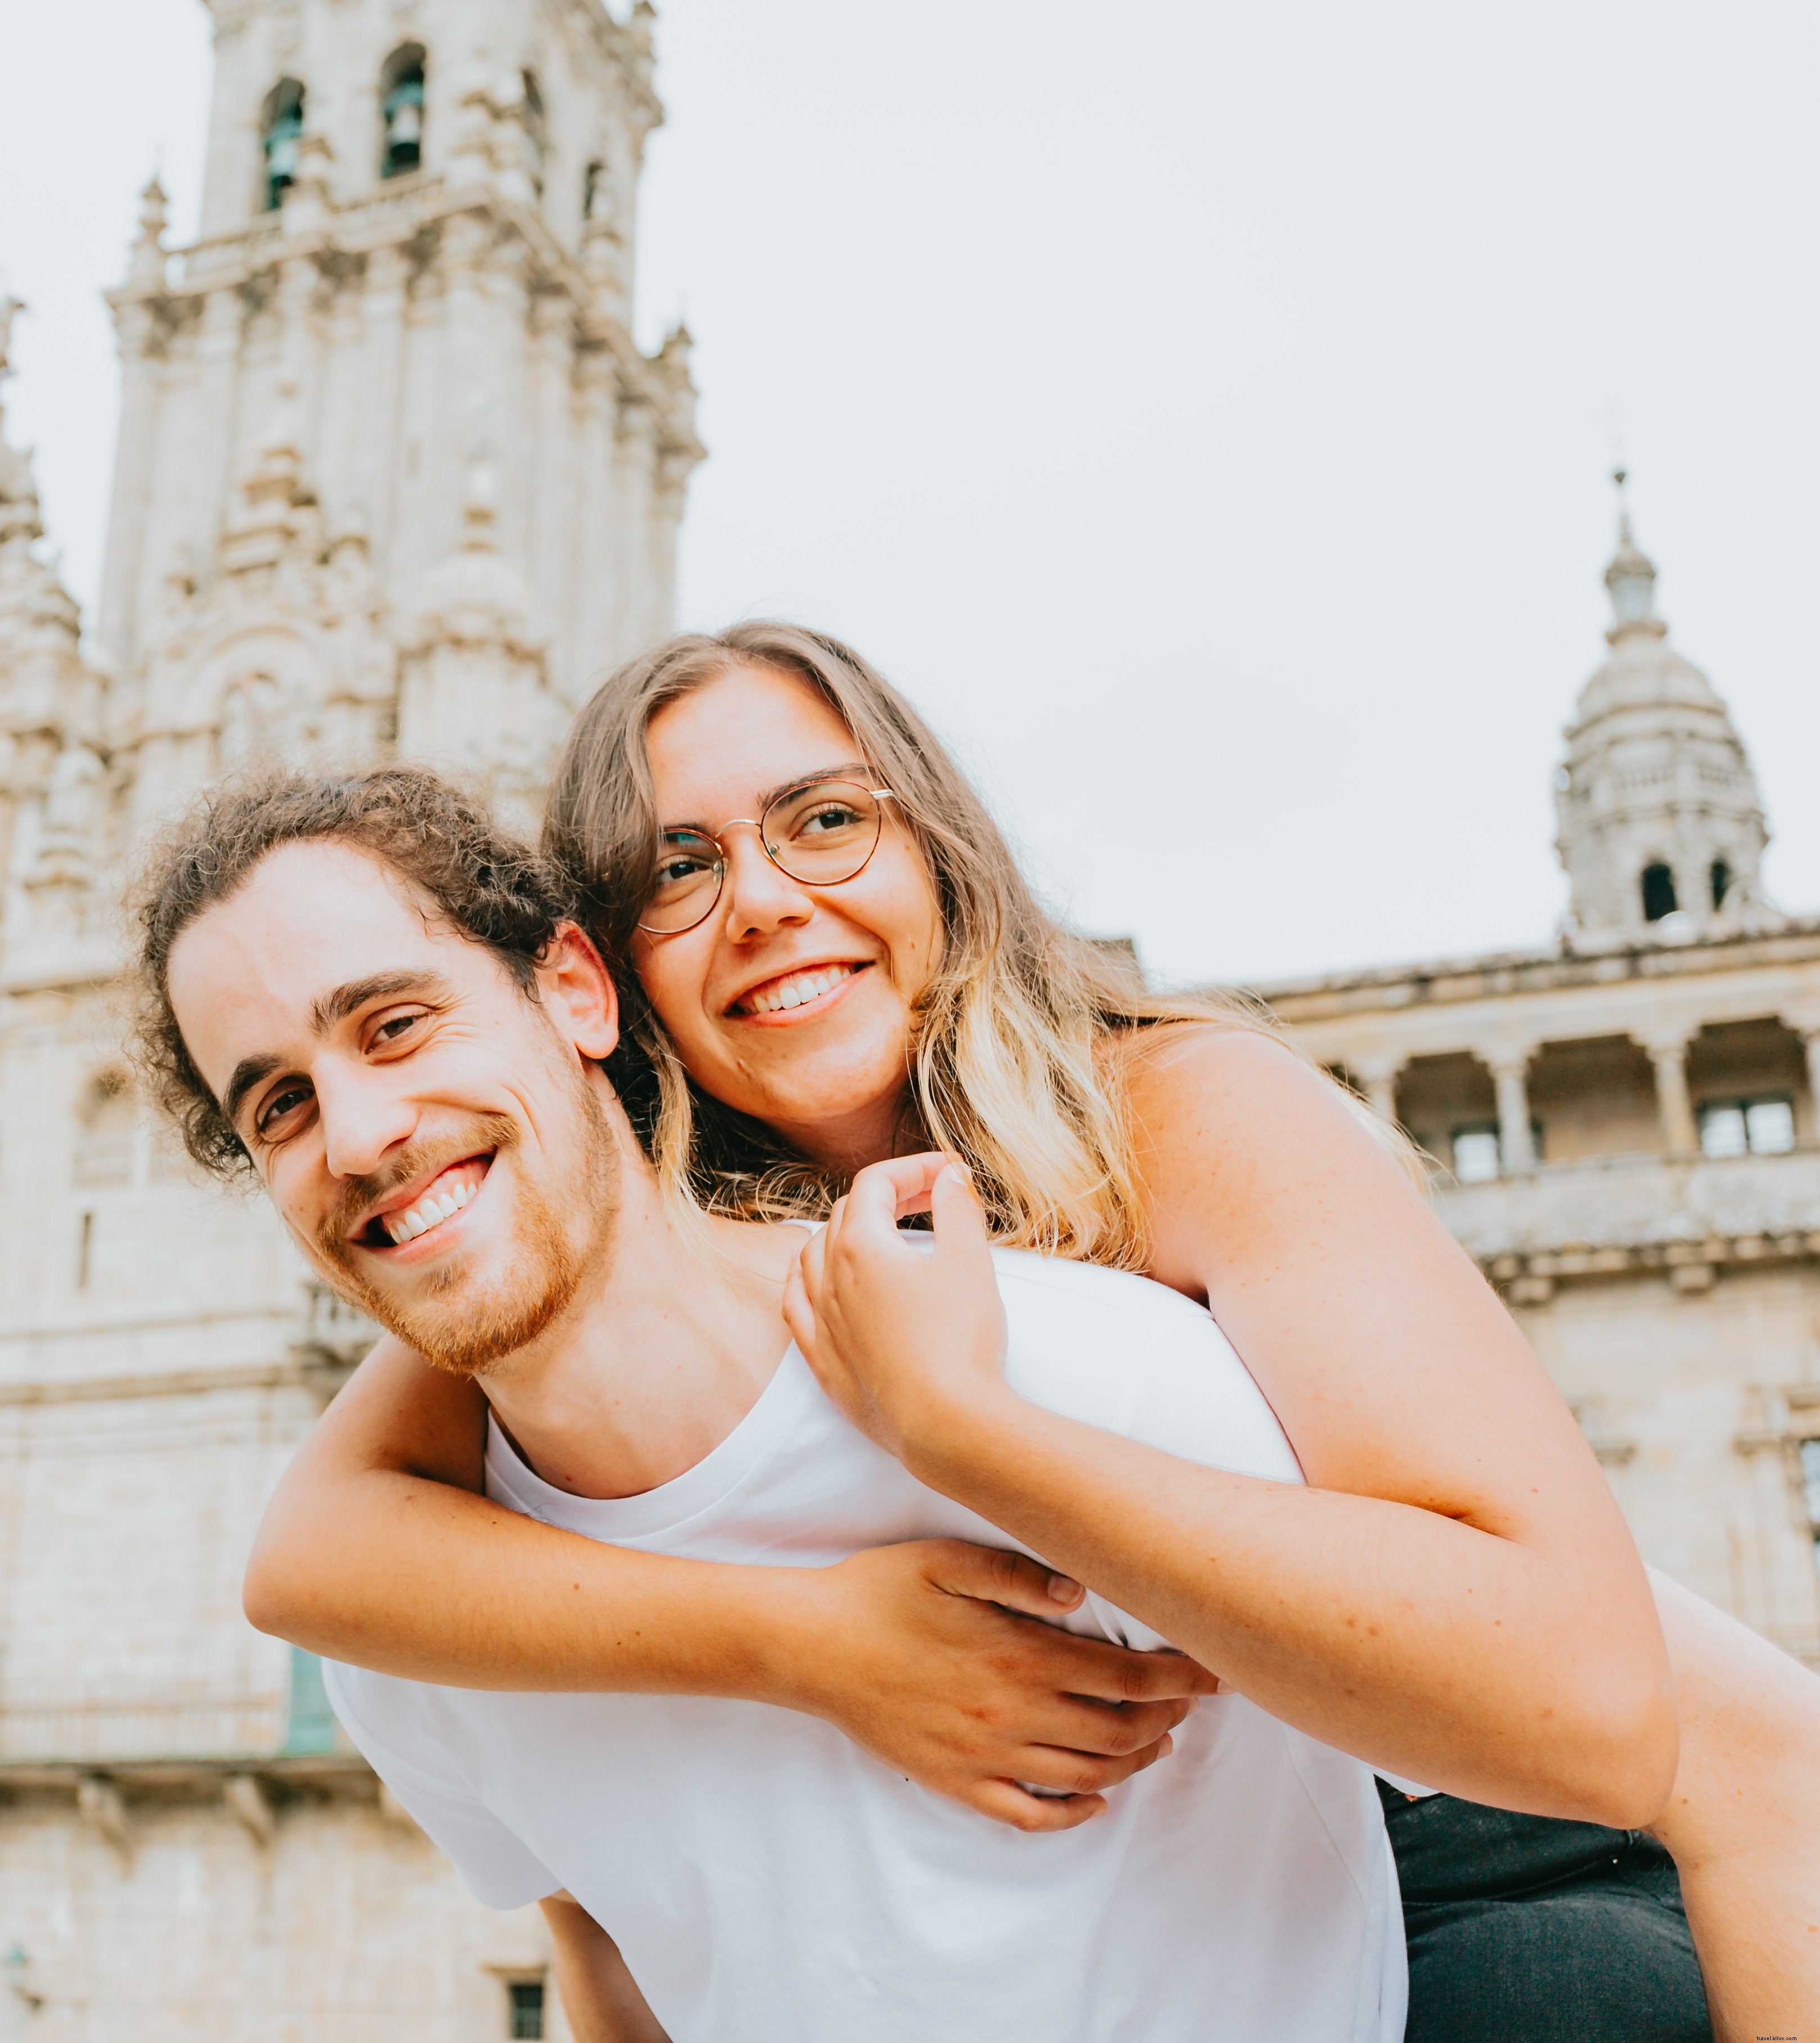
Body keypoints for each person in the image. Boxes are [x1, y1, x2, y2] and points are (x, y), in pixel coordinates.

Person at [242, 623, 1820, 2039]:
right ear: (599, 978)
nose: (770, 903)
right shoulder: (649, 1262)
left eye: (826, 820)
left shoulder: (1174, 1121)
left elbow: (1687, 1731)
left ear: (938, 850)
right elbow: (309, 1559)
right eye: (681, 868)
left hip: (1456, 1830)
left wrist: (962, 1429)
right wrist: (820, 1648)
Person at [132, 763, 1413, 2040]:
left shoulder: (1076, 1375)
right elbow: (612, 1961)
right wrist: (804, 1643)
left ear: (575, 991)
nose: (355, 1136)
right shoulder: (413, 1658)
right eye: (280, 1106)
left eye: (397, 1024)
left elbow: (1545, 1740)